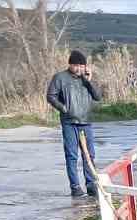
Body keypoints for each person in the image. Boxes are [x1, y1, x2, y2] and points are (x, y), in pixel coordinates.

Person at [46, 51, 102, 198]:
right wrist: (64, 108)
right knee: (71, 155)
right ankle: (75, 186)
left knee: (89, 155)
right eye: (76, 65)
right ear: (70, 65)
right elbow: (50, 96)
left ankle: (91, 185)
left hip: (86, 122)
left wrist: (89, 80)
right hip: (69, 122)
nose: (78, 69)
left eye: (81, 66)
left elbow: (97, 97)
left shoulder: (86, 79)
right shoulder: (60, 78)